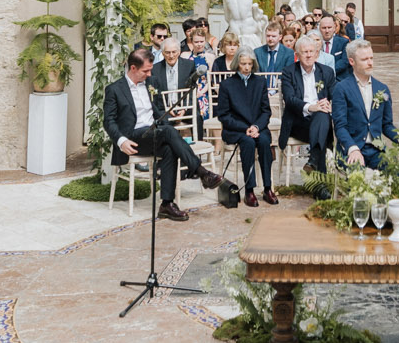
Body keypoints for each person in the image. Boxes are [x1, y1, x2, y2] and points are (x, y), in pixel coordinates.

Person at [103, 46, 221, 222]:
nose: (150, 74)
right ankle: (200, 171)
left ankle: (166, 204)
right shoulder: (114, 89)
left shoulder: (151, 83)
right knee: (167, 132)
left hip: (154, 133)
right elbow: (109, 121)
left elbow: (157, 110)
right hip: (133, 138)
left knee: (169, 148)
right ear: (133, 68)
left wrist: (167, 119)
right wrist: (121, 141)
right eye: (146, 70)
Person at [217, 48, 276, 207]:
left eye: (250, 64)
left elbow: (266, 111)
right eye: (243, 63)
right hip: (236, 129)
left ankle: (268, 188)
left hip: (258, 127)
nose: (247, 67)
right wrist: (245, 129)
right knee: (248, 143)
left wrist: (256, 127)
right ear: (237, 64)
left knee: (264, 141)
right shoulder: (227, 85)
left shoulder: (260, 82)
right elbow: (223, 115)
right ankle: (249, 190)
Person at [330, 38, 395, 170]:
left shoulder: (382, 88)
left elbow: (387, 125)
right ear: (351, 61)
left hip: (377, 150)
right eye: (364, 60)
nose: (370, 63)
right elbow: (340, 126)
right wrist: (352, 148)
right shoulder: (341, 88)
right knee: (357, 180)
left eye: (371, 58)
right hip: (352, 148)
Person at [280, 34, 335, 182]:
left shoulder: (327, 72)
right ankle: (321, 181)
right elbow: (290, 100)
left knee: (322, 117)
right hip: (298, 123)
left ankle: (313, 162)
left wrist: (328, 104)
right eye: (305, 52)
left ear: (317, 53)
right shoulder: (288, 72)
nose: (309, 55)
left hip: (320, 121)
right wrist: (312, 107)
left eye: (312, 51)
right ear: (297, 54)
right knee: (322, 125)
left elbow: (334, 96)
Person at [150, 36, 202, 140]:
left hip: (185, 107)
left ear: (179, 52)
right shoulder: (155, 69)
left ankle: (198, 149)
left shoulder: (189, 65)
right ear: (162, 53)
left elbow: (192, 89)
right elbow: (155, 95)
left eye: (174, 52)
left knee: (197, 118)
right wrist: (168, 109)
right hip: (166, 109)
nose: (171, 55)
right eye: (167, 52)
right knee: (162, 122)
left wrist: (184, 108)